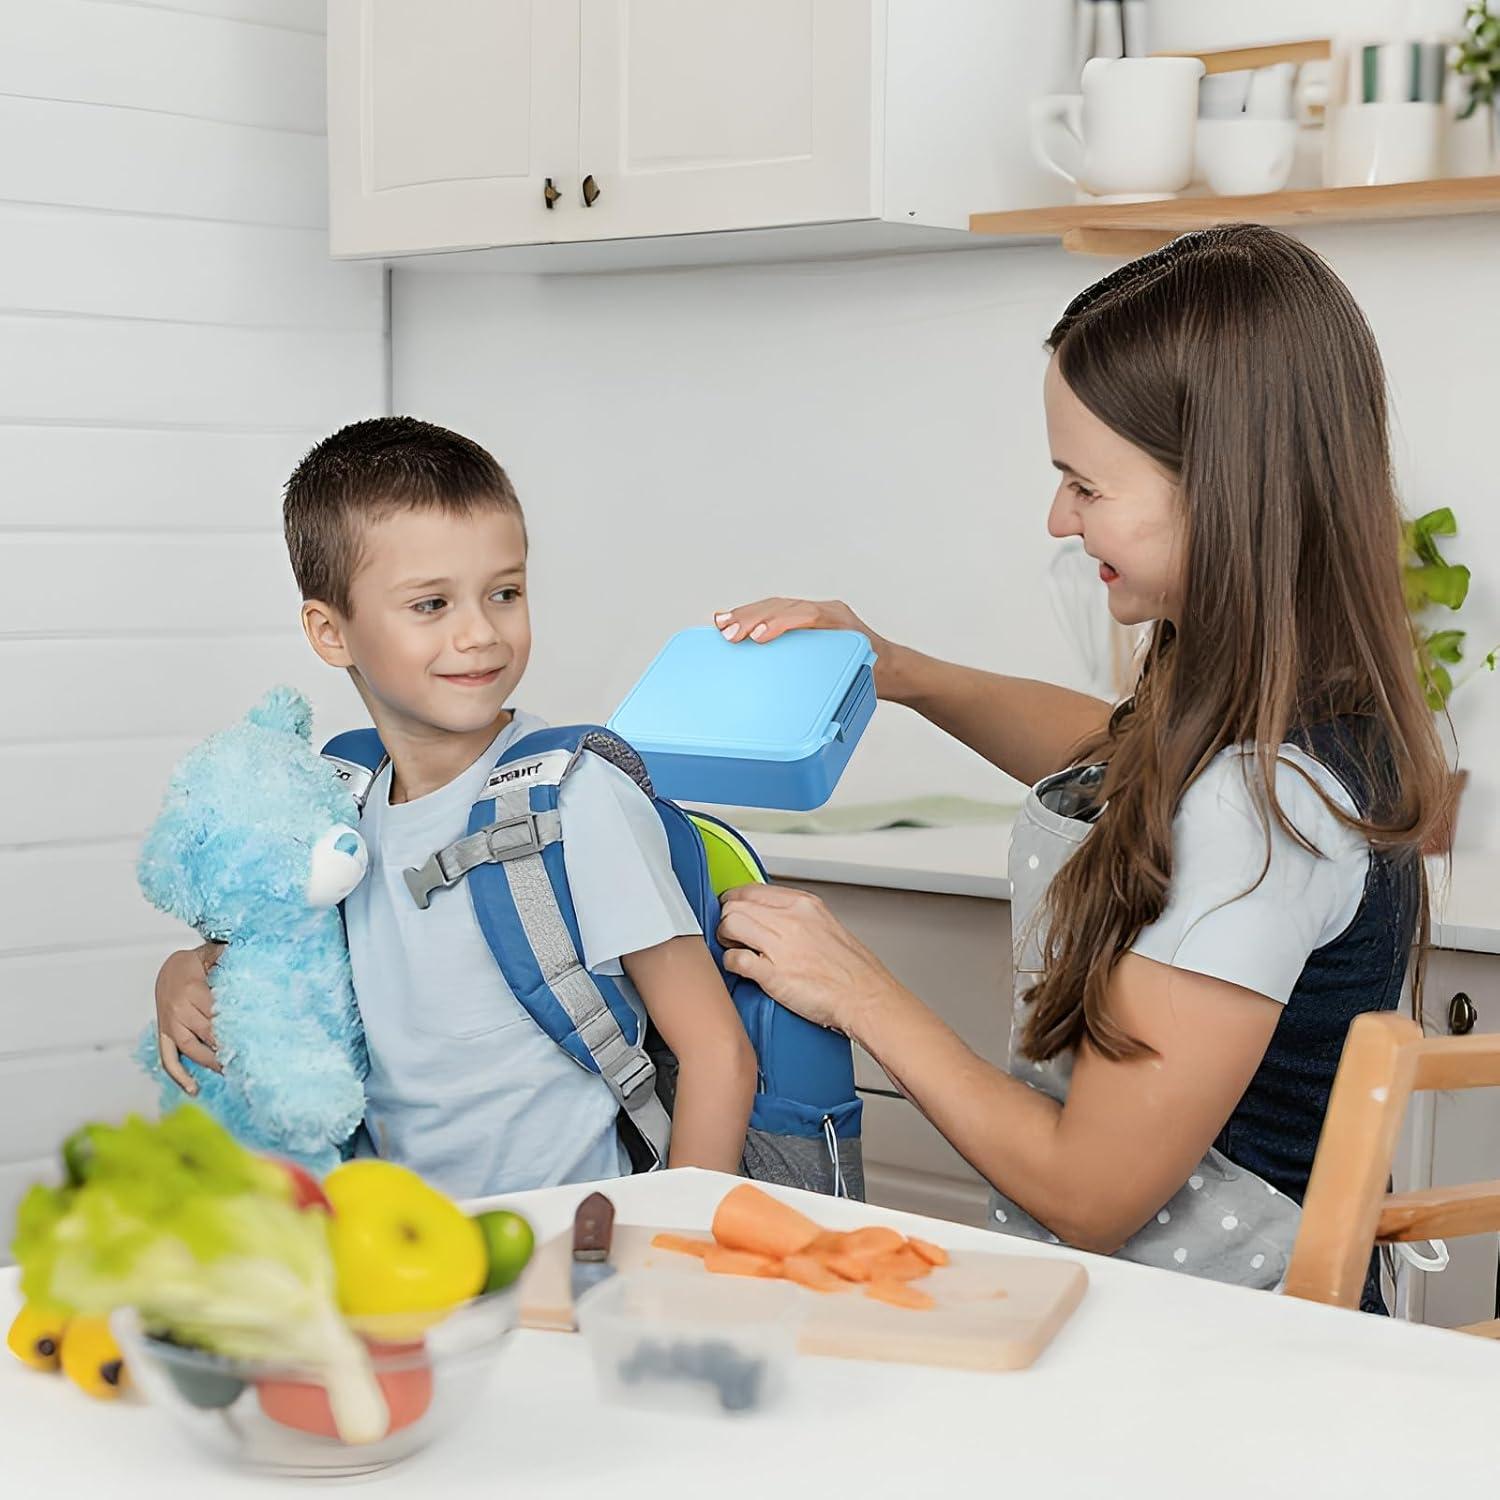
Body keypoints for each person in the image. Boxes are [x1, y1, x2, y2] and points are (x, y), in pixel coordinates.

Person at [713, 226, 1448, 1308]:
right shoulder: (1303, 718)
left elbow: (1091, 1190)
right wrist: (898, 669)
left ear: (1224, 486)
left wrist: (854, 988)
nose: (1059, 518)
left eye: (1086, 485)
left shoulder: (1261, 809)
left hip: (1228, 1368)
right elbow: (1105, 754)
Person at [153, 417, 755, 1197]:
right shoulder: (335, 799)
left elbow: (717, 1055)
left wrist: (670, 1248)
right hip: (395, 1243)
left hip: (575, 1241)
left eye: (504, 592)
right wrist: (181, 974)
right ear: (331, 633)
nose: (480, 634)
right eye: (431, 604)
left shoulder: (575, 800)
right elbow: (273, 957)